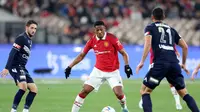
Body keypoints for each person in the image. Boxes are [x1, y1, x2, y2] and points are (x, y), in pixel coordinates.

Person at [136, 7, 199, 112]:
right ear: (164, 17)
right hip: (174, 65)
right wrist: (183, 63)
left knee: (144, 91)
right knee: (184, 93)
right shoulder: (171, 29)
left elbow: (148, 44)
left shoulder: (150, 28)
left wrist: (142, 61)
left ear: (152, 17)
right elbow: (185, 46)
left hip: (159, 66)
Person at [65, 21, 133, 112]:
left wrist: (127, 66)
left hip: (113, 72)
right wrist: (70, 67)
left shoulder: (112, 38)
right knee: (84, 91)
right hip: (98, 71)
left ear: (104, 29)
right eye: (97, 30)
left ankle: (124, 108)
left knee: (119, 94)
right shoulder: (92, 41)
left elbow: (124, 53)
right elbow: (81, 55)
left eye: (101, 29)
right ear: (95, 31)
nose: (100, 32)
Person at [0, 20, 38, 112]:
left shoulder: (29, 40)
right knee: (23, 87)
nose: (33, 30)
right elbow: (12, 53)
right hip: (15, 66)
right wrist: (6, 68)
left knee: (34, 89)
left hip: (22, 67)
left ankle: (25, 110)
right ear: (27, 27)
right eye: (32, 28)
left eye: (35, 28)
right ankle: (13, 110)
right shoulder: (21, 38)